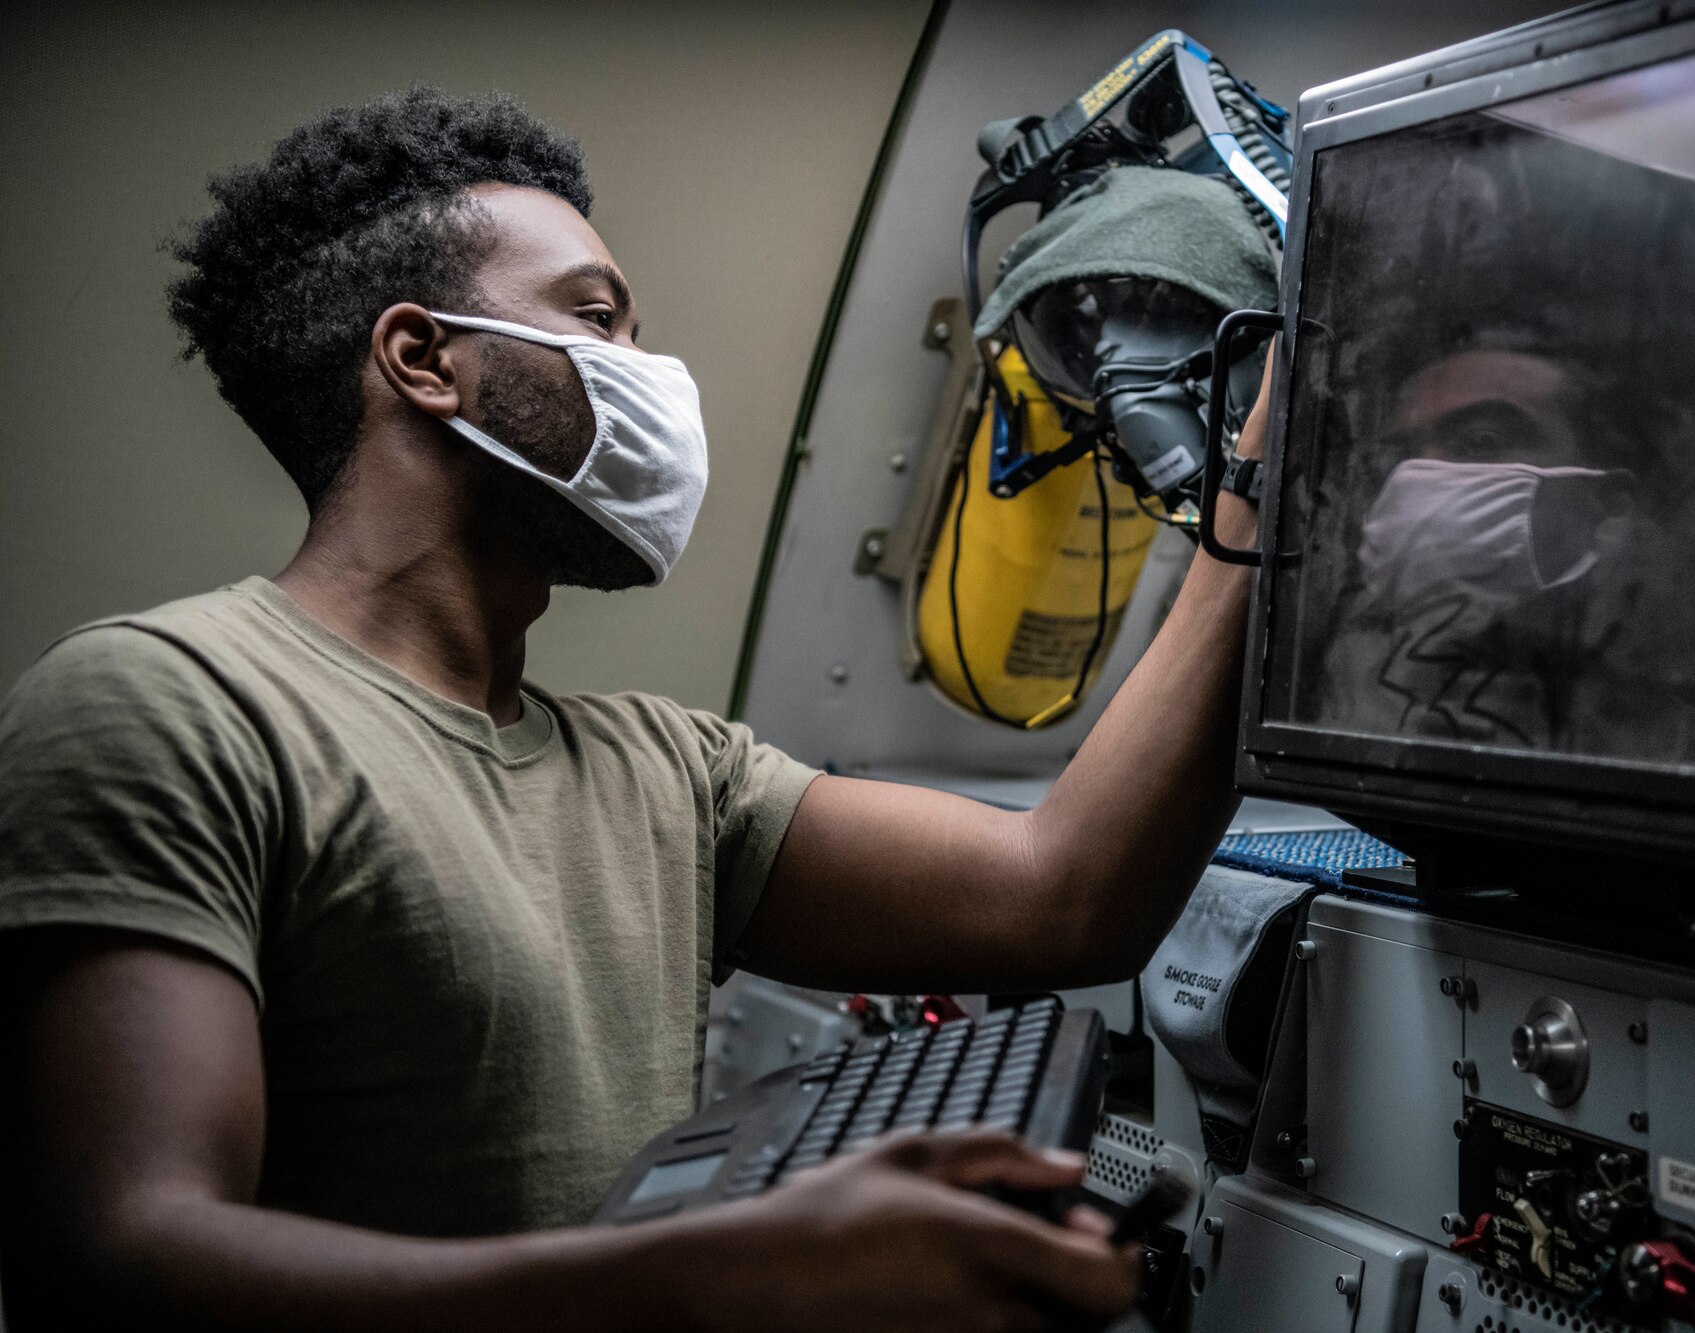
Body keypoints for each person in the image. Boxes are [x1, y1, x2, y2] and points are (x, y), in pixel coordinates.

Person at [0, 87, 1270, 1329]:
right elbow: (123, 1257)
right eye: (595, 319)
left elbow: (1063, 896)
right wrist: (710, 1276)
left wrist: (1261, 482)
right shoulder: (168, 701)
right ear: (423, 360)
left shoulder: (666, 770)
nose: (651, 376)